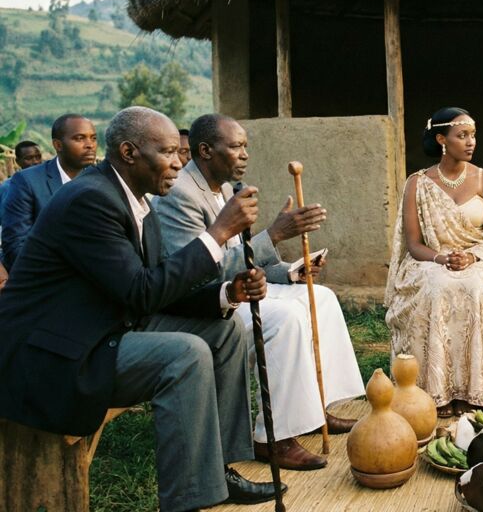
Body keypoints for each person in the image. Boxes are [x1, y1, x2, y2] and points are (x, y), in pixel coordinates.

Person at [0, 106, 284, 511]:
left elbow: (153, 284)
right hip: (53, 354)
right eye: (168, 152)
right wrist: (218, 233)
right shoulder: (91, 201)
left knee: (226, 332)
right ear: (130, 152)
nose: (178, 161)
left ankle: (218, 469)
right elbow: (140, 293)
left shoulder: (135, 199)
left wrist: (226, 293)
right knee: (184, 355)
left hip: (99, 329)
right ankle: (188, 502)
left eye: (179, 152)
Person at [154, 113, 364, 470]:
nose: (244, 154)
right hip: (208, 302)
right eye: (235, 146)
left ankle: (314, 411)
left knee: (322, 300)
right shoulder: (180, 195)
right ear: (205, 150)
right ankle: (274, 437)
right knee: (285, 319)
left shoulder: (223, 187)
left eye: (245, 146)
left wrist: (291, 271)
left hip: (239, 287)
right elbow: (197, 270)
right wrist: (276, 234)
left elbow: (246, 258)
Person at [385, 108, 483, 417]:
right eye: (462, 136)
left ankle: (475, 391)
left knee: (476, 287)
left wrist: (471, 256)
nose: (471, 142)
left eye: (473, 135)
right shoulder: (417, 184)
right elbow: (415, 244)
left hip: (481, 257)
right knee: (437, 287)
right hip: (431, 259)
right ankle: (435, 391)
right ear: (442, 139)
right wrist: (442, 257)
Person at [2, 114, 98, 268]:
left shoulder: (100, 180)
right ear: (58, 145)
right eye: (80, 138)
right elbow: (15, 246)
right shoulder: (27, 181)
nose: (90, 145)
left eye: (93, 138)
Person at [0, 141, 43, 291]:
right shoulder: (6, 188)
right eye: (28, 158)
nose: (35, 162)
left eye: (38, 157)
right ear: (17, 161)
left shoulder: (47, 184)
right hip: (15, 259)